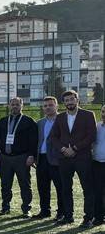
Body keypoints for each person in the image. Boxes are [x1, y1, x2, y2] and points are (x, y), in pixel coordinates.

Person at [50, 90, 98, 227]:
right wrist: (63, 149)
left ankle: (88, 218)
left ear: (77, 100)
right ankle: (68, 216)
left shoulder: (88, 115)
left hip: (82, 157)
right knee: (66, 188)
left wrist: (75, 148)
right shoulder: (59, 118)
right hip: (64, 158)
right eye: (67, 100)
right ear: (63, 103)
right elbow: (53, 137)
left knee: (87, 188)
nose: (69, 102)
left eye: (72, 99)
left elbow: (91, 136)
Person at [0, 97, 37, 217]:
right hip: (5, 158)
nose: (14, 106)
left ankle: (26, 208)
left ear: (22, 105)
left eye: (17, 104)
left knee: (24, 184)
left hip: (22, 157)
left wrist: (31, 155)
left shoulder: (29, 121)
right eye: (12, 104)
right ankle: (5, 207)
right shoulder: (2, 121)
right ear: (9, 106)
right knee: (5, 184)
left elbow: (33, 141)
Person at [36, 96, 64, 220]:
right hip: (41, 159)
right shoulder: (40, 122)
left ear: (56, 106)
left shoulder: (63, 120)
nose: (48, 107)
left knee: (60, 187)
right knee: (42, 187)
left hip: (56, 159)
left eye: (50, 105)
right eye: (45, 105)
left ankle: (61, 212)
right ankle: (45, 211)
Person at [93, 104, 105, 225]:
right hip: (97, 164)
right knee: (97, 191)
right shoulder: (97, 127)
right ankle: (98, 217)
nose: (104, 114)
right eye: (102, 111)